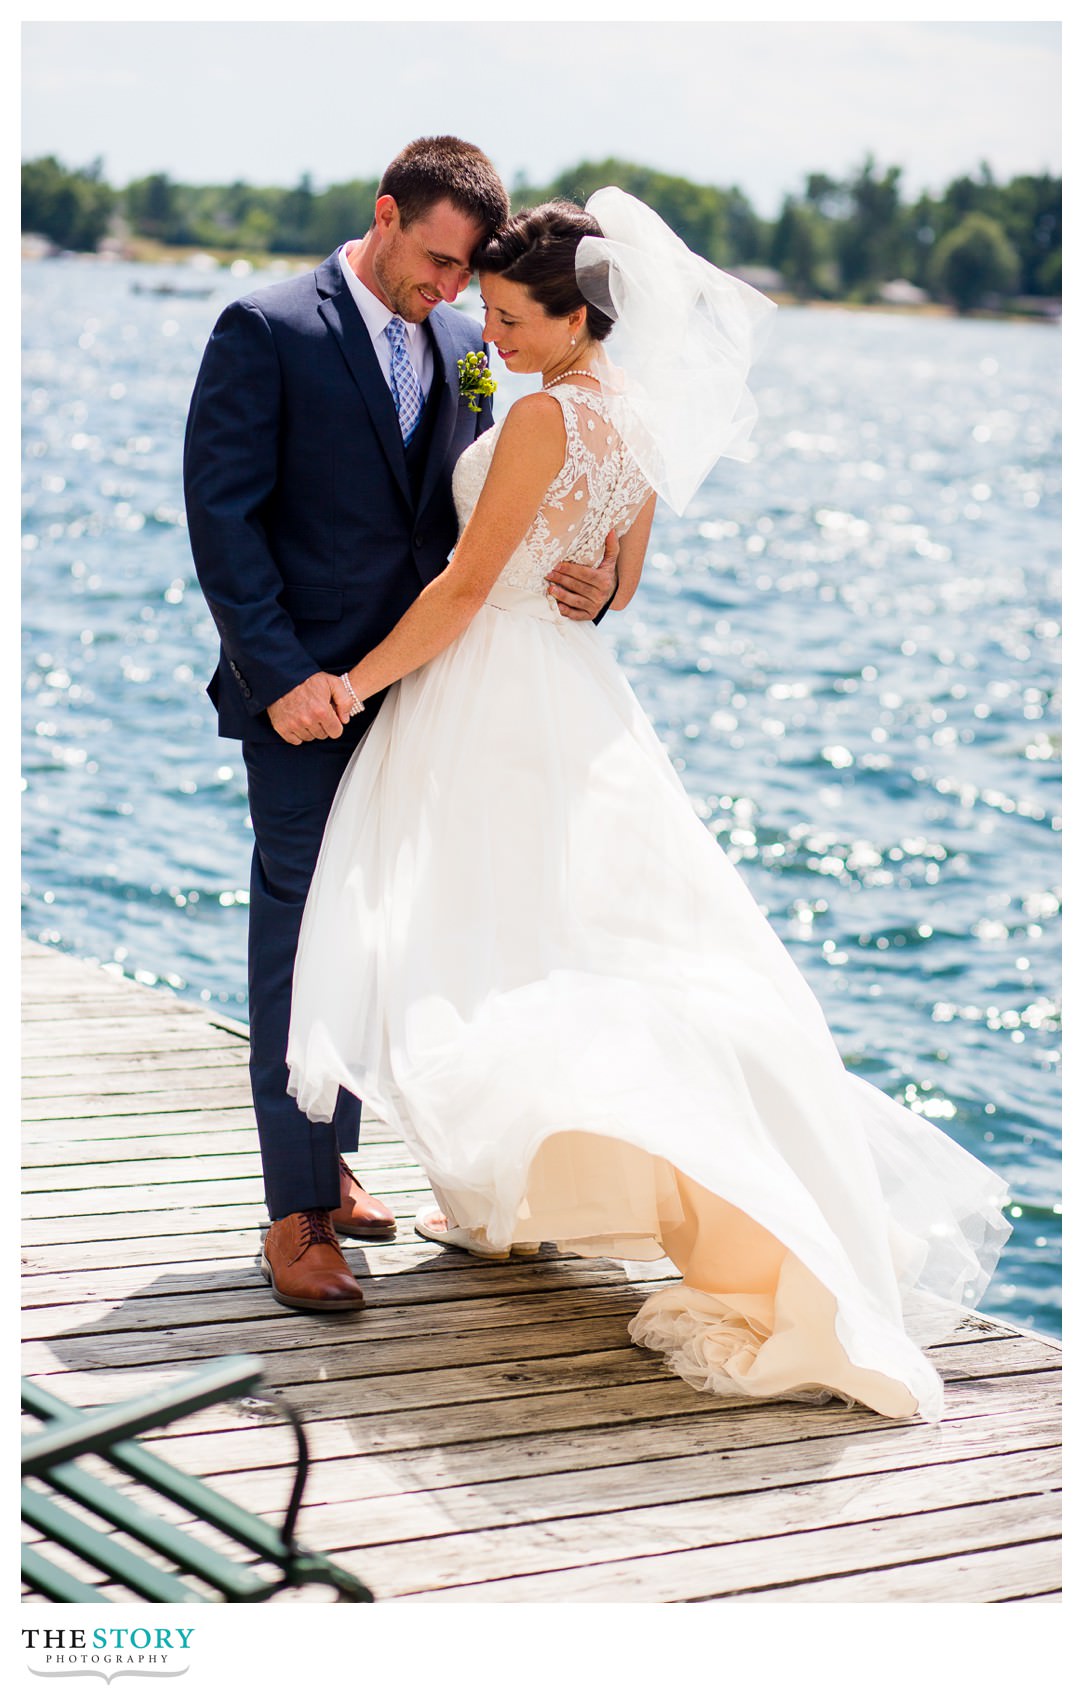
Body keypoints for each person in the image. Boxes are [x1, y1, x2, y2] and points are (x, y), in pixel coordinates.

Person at [285, 191, 1011, 1419]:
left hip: (493, 694)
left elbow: (467, 588)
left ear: (578, 317)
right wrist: (589, 583)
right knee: (546, 943)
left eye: (514, 319)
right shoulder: (633, 419)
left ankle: (548, 1190)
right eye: (490, 313)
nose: (492, 334)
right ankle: (505, 1198)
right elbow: (618, 579)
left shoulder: (543, 421)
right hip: (575, 694)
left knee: (478, 943)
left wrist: (352, 683)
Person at [184, 138, 620, 1314]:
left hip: (431, 691)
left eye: (465, 268)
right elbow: (224, 522)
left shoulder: (472, 343)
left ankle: (334, 1151)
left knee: (377, 928)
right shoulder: (264, 327)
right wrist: (279, 674)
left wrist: (599, 579)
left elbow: (504, 514)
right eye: (435, 259)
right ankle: (295, 1213)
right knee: (299, 933)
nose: (448, 286)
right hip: (306, 699)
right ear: (385, 214)